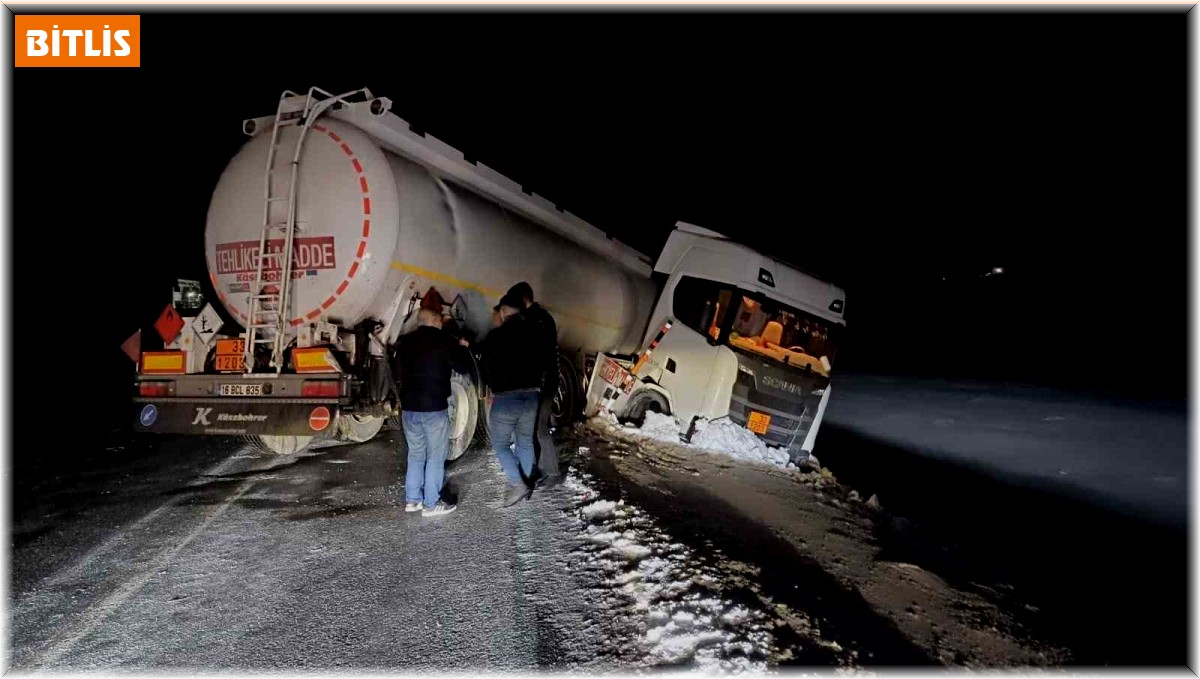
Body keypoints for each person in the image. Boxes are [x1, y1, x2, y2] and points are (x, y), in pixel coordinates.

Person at [392, 308, 471, 517]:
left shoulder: (405, 342)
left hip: (409, 409)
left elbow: (396, 371)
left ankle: (412, 500)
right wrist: (462, 348)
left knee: (416, 454)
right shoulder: (444, 341)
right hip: (434, 408)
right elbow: (462, 367)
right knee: (436, 456)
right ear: (436, 321)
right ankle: (431, 503)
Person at [480, 291, 544, 507]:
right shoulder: (536, 332)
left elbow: (487, 366)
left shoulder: (496, 336)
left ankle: (519, 484)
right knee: (524, 441)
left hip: (507, 397)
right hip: (532, 395)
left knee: (500, 443)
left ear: (504, 311)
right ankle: (526, 484)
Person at [505, 282, 561, 488]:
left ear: (523, 300)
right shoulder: (540, 318)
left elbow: (535, 354)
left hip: (543, 383)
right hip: (544, 381)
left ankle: (552, 472)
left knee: (539, 428)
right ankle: (538, 467)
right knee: (534, 427)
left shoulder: (537, 320)